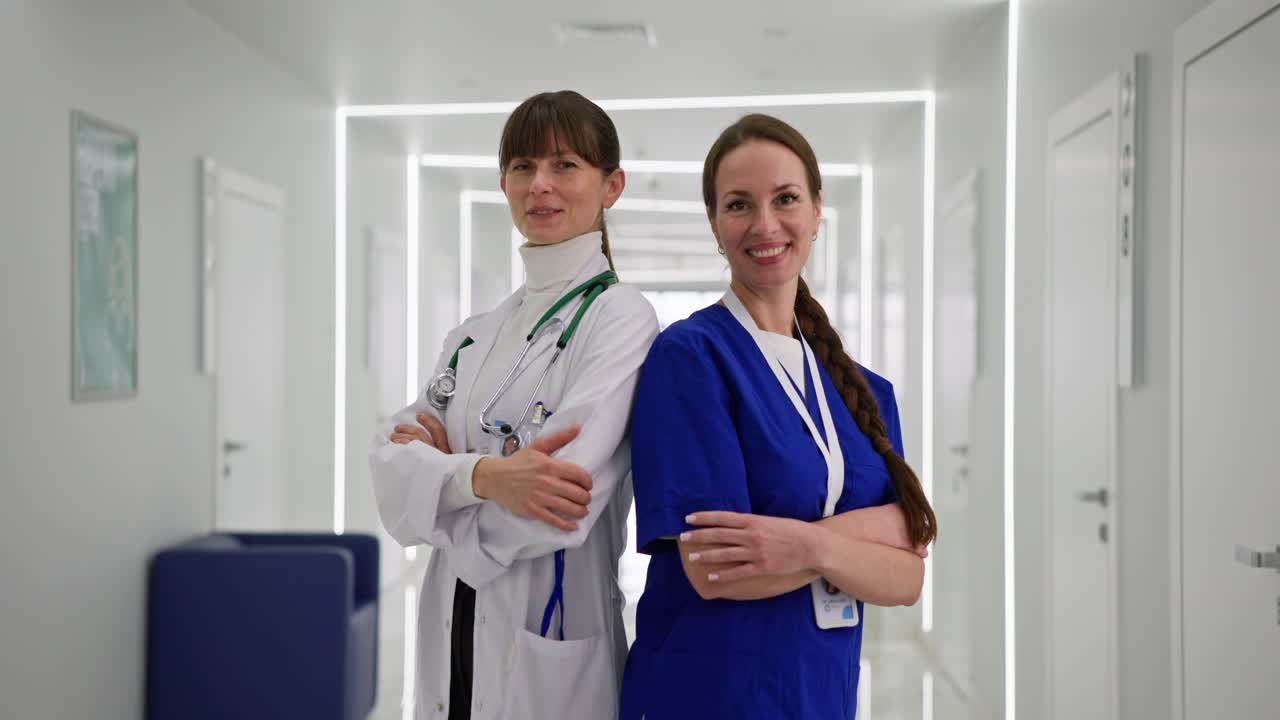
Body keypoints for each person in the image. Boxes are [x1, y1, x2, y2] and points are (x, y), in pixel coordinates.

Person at [620, 114, 937, 719]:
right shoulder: (690, 358)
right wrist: (867, 539)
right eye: (739, 204)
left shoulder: (866, 393)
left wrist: (798, 543)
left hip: (818, 693)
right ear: (715, 225)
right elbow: (718, 571)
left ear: (817, 213)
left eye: (786, 198)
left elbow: (908, 580)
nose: (765, 224)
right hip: (706, 695)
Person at [370, 90, 659, 720]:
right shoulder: (476, 332)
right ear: (503, 183)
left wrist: (441, 488)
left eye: (564, 166)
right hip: (453, 617)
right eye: (523, 167)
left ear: (612, 185)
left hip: (550, 623)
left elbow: (562, 498)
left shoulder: (621, 319)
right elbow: (389, 467)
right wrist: (488, 477)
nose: (540, 186)